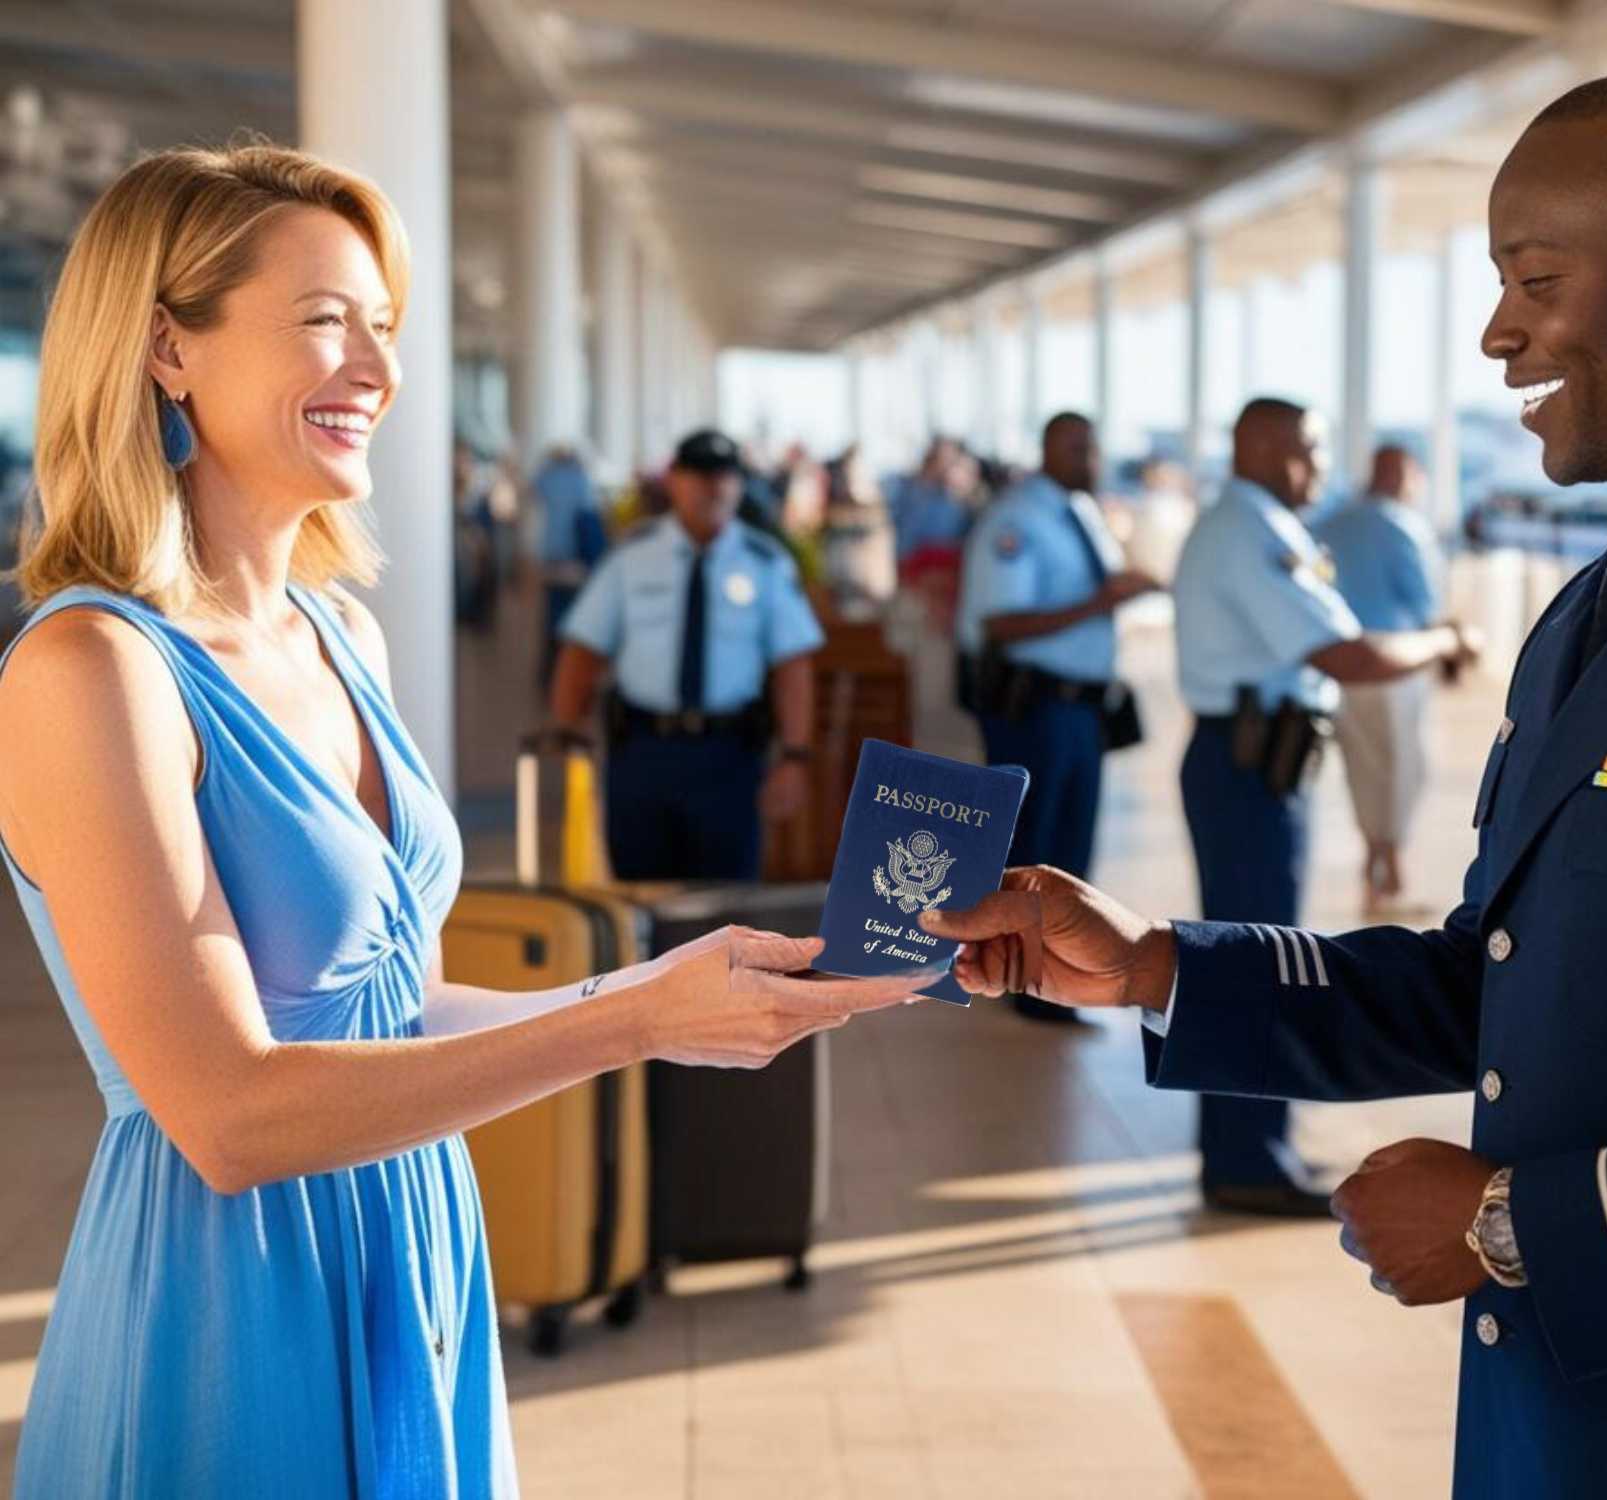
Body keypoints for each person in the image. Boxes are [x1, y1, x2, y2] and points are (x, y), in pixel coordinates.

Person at [923, 62, 1607, 1499]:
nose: (1499, 336)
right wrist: (1151, 968)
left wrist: (1517, 1229)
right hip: (1547, 1431)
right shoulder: (1592, 615)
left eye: (1537, 280)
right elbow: (1493, 983)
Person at [0, 146, 939, 1498]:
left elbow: (402, 1009)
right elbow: (228, 1116)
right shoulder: (94, 671)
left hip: (415, 1233)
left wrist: (665, 992)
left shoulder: (342, 637)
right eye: (326, 320)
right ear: (166, 350)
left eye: (384, 327)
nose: (377, 370)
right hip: (227, 1295)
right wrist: (628, 1023)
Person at [1174, 399, 1476, 1216]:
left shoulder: (1264, 522)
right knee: (1249, 962)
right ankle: (1245, 1160)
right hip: (1247, 763)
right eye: (1307, 448)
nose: (1318, 466)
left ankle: (1252, 1145)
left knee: (1254, 954)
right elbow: (1349, 655)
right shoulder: (1251, 529)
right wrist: (1443, 641)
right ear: (1261, 444)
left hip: (1259, 756)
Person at [955, 411, 1160, 1023]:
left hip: (1081, 707)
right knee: (1033, 853)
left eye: (1095, 448)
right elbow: (999, 622)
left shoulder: (1083, 513)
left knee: (1072, 851)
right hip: (1034, 705)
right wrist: (1102, 601)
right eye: (1077, 448)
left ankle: (1057, 978)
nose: (1090, 460)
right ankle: (1019, 981)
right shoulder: (1017, 520)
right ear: (1049, 448)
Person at [549, 427, 822, 880]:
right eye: (699, 474)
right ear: (674, 480)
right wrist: (565, 734)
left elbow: (793, 664)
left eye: (725, 475)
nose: (713, 487)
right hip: (642, 753)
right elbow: (583, 650)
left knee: (725, 909)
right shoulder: (631, 557)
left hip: (728, 757)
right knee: (640, 897)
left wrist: (793, 758)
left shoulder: (766, 562)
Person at [1317, 444, 1452, 914]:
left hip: (1340, 660)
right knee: (1400, 768)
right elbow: (1424, 603)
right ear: (1402, 475)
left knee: (1364, 769)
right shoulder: (1401, 525)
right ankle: (1386, 881)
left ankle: (1378, 878)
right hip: (1393, 663)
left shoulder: (1330, 521)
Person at [530, 442, 605, 682]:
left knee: (553, 609)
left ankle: (549, 668)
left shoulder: (549, 476)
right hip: (575, 555)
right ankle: (565, 669)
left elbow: (533, 489)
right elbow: (590, 511)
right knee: (573, 614)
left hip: (554, 553)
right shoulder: (581, 478)